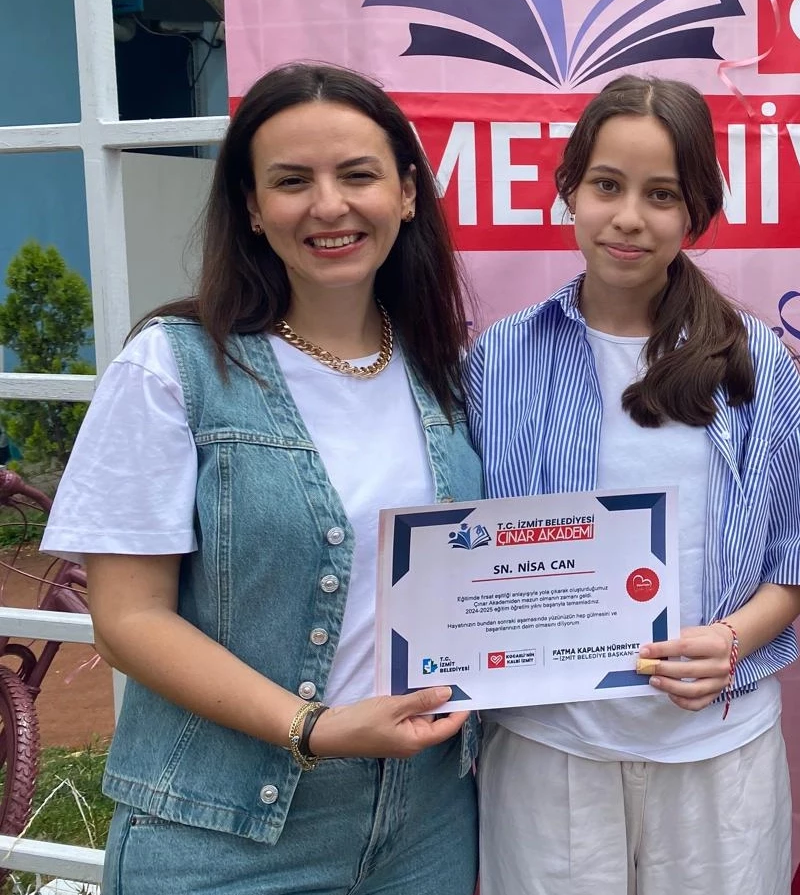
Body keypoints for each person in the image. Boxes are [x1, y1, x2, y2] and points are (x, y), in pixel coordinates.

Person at [41, 62, 483, 893]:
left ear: (407, 193)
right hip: (221, 836)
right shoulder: (173, 368)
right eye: (291, 181)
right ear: (250, 206)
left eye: (358, 175)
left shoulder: (449, 370)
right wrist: (315, 727)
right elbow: (127, 620)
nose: (329, 205)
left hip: (425, 821)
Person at [468, 75, 800, 895]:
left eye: (661, 195)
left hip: (716, 748)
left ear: (694, 212)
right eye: (607, 185)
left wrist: (732, 639)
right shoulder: (500, 359)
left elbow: (798, 561)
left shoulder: (756, 363)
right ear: (570, 190)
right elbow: (468, 553)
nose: (629, 217)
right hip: (549, 748)